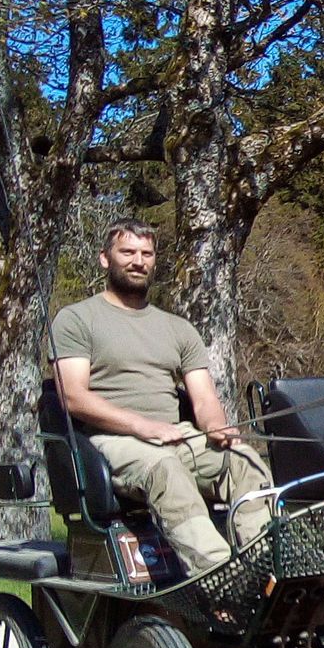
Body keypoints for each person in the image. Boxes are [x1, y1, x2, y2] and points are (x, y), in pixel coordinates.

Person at [50, 220, 271, 576]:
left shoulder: (178, 328)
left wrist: (215, 426)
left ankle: (264, 569)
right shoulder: (76, 319)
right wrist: (144, 427)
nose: (138, 261)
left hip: (175, 435)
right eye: (127, 252)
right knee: (164, 469)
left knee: (244, 460)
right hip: (111, 442)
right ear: (105, 259)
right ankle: (220, 578)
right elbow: (73, 397)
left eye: (146, 254)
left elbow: (204, 399)